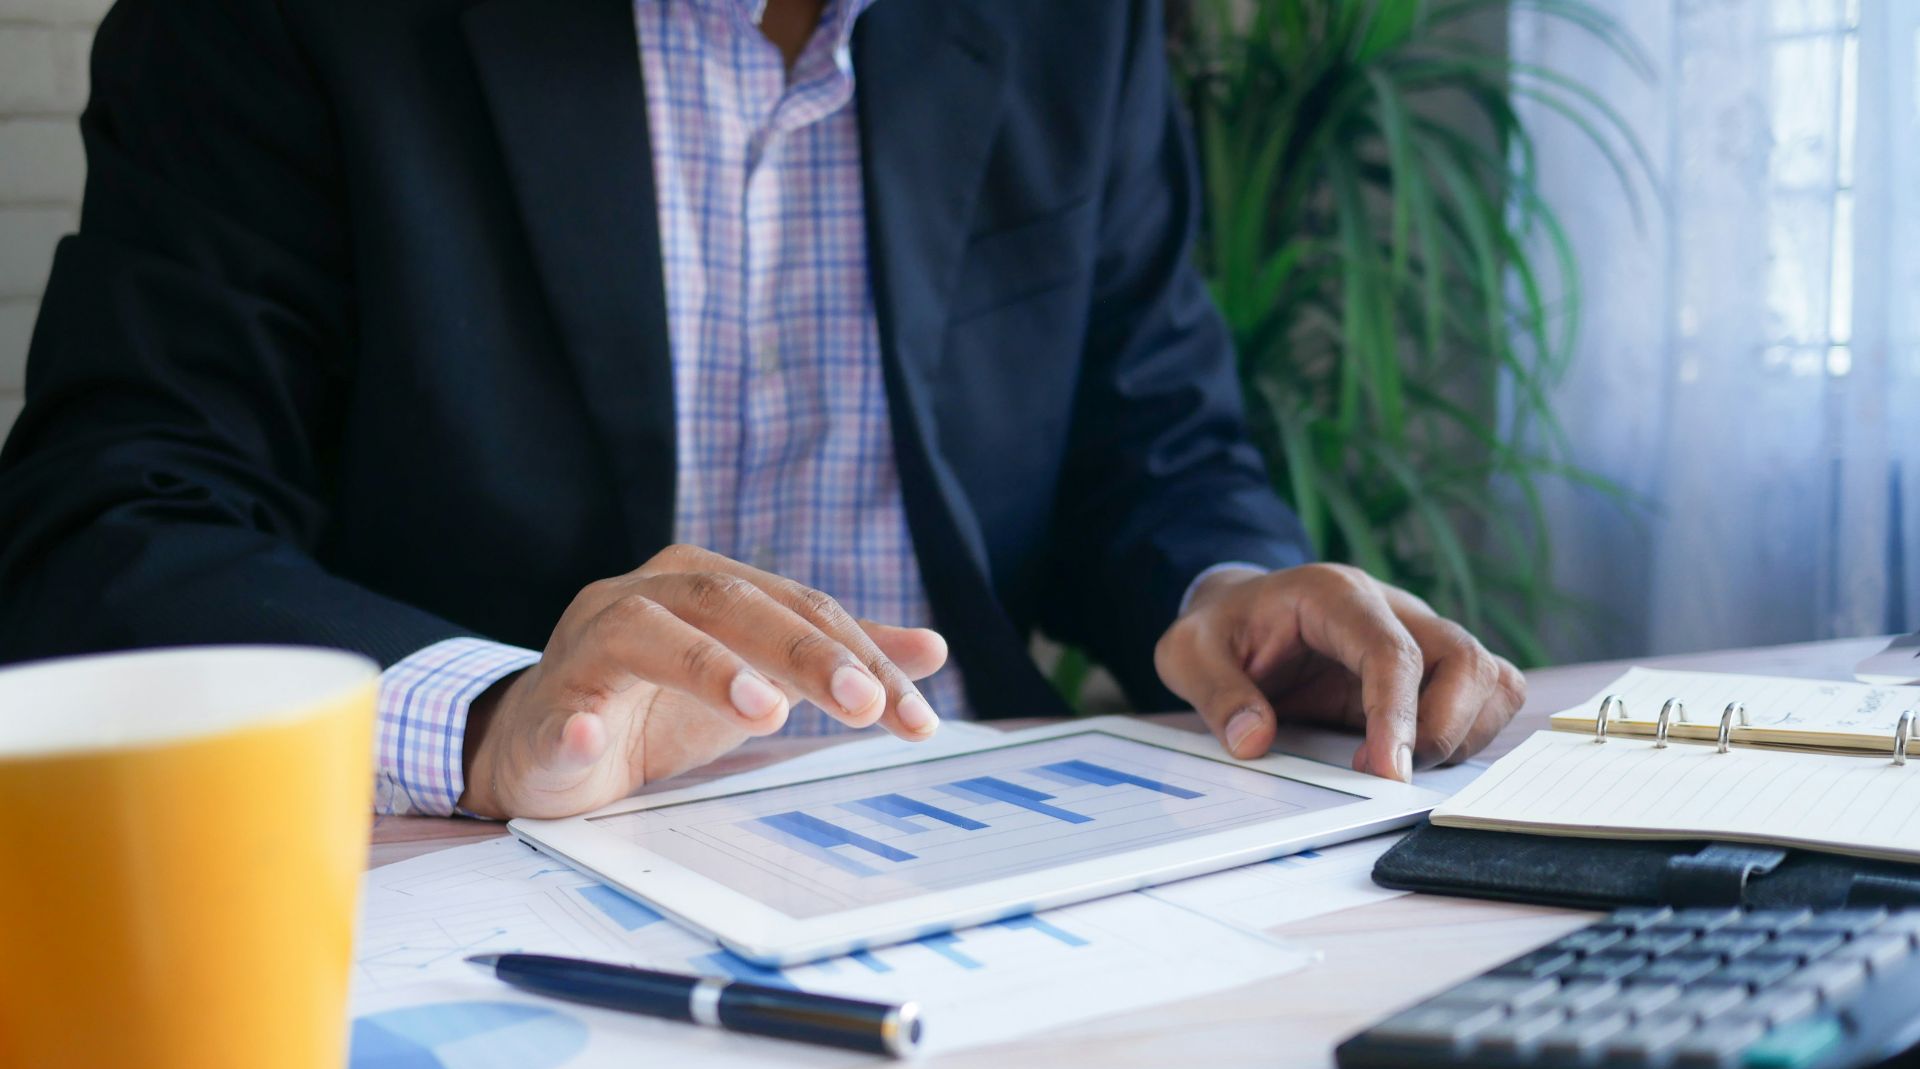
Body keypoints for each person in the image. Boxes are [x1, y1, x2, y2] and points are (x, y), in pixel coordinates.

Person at [0, 0, 1524, 819]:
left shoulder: (1074, 21)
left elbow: (1149, 436)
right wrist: (489, 714)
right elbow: (107, 524)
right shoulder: (281, 20)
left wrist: (1236, 591)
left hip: (985, 846)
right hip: (503, 867)